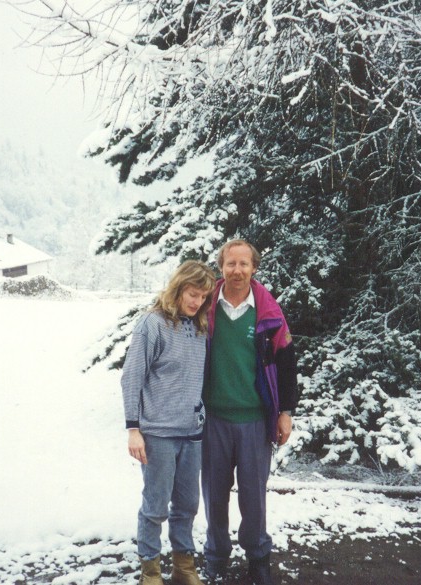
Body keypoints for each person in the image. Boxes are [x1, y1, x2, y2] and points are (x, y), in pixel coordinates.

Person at [201, 240, 299, 585]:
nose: (237, 270)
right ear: (221, 266)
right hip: (213, 418)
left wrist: (285, 412)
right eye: (231, 263)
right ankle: (216, 556)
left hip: (255, 420)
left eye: (244, 264)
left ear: (254, 268)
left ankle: (258, 557)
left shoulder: (268, 311)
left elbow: (287, 363)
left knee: (254, 497)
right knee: (214, 495)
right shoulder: (206, 306)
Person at [122, 260, 217, 585]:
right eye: (192, 294)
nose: (197, 302)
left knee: (187, 506)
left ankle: (183, 567)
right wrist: (133, 429)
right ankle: (150, 571)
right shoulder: (152, 324)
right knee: (155, 507)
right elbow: (131, 377)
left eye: (203, 297)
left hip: (192, 433)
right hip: (158, 434)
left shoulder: (200, 327)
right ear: (178, 288)